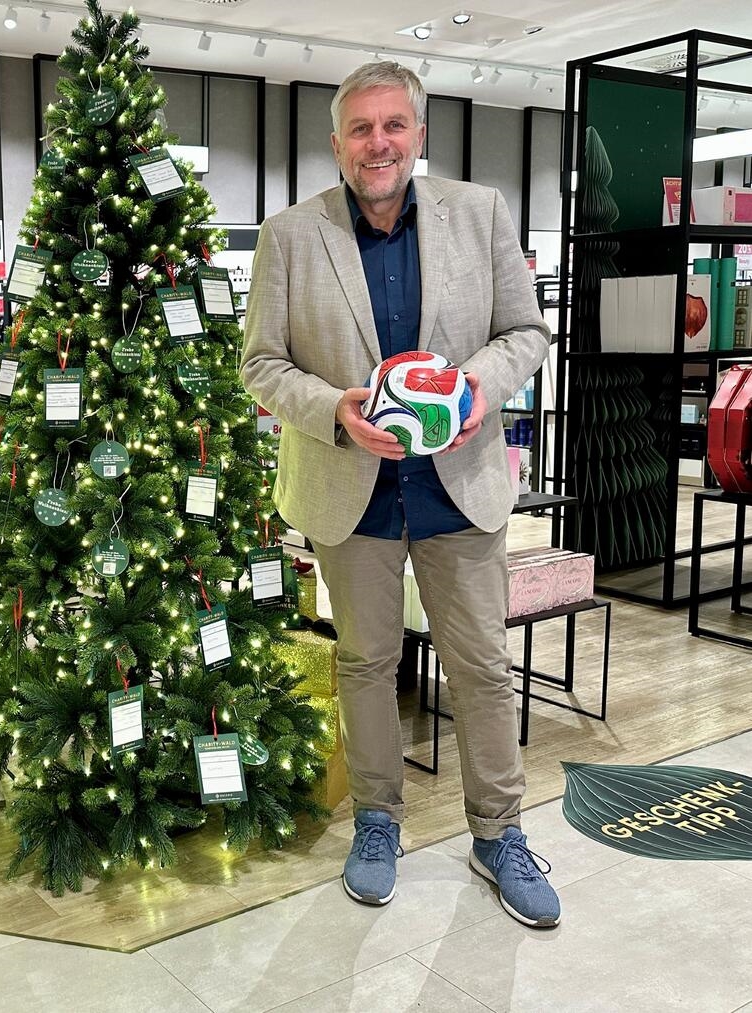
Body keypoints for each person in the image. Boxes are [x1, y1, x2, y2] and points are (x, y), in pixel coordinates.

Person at [241, 62, 559, 928]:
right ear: (337, 141)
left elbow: (527, 331)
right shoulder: (291, 235)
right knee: (366, 664)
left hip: (459, 486)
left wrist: (473, 394)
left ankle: (500, 833)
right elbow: (260, 364)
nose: (377, 143)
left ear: (418, 135)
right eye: (360, 129)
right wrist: (336, 410)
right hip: (355, 492)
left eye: (394, 126)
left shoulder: (481, 213)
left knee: (483, 667)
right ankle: (377, 820)